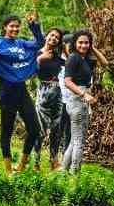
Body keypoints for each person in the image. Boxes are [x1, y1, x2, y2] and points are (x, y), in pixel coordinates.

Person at [0, 12, 44, 174]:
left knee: (34, 129)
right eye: (12, 26)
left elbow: (40, 42)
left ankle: (20, 166)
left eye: (17, 26)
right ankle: (8, 171)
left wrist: (34, 26)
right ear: (5, 27)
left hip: (21, 90)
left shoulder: (22, 44)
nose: (15, 29)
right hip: (6, 90)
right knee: (7, 130)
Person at [61, 30, 100, 174]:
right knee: (79, 141)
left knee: (74, 140)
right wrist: (85, 94)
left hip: (82, 100)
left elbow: (105, 62)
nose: (84, 45)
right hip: (77, 100)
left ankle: (63, 172)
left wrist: (92, 47)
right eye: (81, 42)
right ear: (74, 43)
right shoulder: (73, 58)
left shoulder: (86, 59)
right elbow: (67, 82)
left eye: (86, 43)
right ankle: (74, 175)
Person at [33, 27, 65, 171]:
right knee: (40, 128)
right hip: (43, 91)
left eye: (57, 37)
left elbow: (70, 65)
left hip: (57, 92)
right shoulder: (37, 53)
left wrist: (65, 49)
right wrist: (40, 59)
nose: (53, 38)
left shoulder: (58, 55)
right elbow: (30, 71)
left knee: (56, 129)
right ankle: (36, 162)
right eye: (52, 35)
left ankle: (54, 160)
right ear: (46, 36)